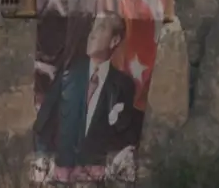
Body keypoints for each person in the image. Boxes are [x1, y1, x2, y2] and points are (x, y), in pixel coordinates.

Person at [33, 11, 139, 179]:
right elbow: (42, 126)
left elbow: (124, 137)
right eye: (92, 27)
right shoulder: (68, 75)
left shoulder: (124, 86)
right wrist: (46, 162)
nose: (92, 34)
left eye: (100, 28)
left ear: (114, 41)